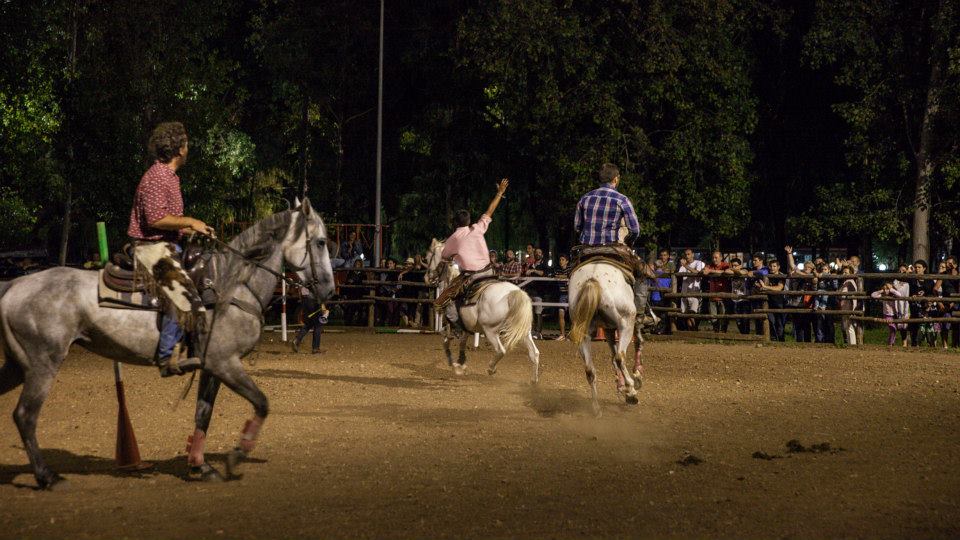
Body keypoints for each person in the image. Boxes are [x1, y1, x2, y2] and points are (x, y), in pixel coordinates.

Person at [127, 121, 214, 377]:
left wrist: (195, 229)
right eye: (186, 143)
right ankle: (166, 356)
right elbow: (155, 220)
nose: (188, 147)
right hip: (150, 247)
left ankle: (187, 347)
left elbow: (168, 222)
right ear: (179, 149)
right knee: (183, 294)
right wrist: (190, 221)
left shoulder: (170, 177)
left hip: (165, 244)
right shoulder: (158, 176)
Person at [573, 163, 643, 326]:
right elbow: (635, 229)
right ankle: (640, 311)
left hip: (587, 250)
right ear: (615, 179)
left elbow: (577, 226)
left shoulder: (584, 198)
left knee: (572, 271)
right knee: (641, 272)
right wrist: (629, 241)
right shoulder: (622, 200)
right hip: (612, 248)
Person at [439, 178, 509, 331]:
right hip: (489, 272)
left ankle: (459, 327)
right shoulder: (477, 228)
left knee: (444, 300)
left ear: (455, 223)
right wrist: (499, 193)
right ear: (469, 220)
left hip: (471, 276)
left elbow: (444, 256)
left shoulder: (453, 238)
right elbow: (490, 210)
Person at [290, 287, 328, 354]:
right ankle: (315, 348)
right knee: (318, 325)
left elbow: (300, 289)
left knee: (308, 324)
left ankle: (297, 340)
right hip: (313, 300)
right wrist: (322, 303)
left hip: (305, 300)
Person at [757, 258, 786, 341]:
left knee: (780, 323)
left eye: (774, 266)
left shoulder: (781, 276)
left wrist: (765, 287)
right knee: (771, 321)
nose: (772, 268)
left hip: (779, 302)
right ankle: (773, 339)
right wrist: (759, 287)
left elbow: (779, 288)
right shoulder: (767, 276)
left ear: (778, 267)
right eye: (771, 266)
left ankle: (781, 340)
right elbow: (760, 287)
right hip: (769, 302)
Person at [677, 248, 706, 330]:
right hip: (684, 292)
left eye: (689, 254)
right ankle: (690, 330)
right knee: (686, 314)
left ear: (693, 254)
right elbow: (678, 274)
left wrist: (686, 266)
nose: (687, 256)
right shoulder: (683, 265)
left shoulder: (699, 263)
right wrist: (680, 265)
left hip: (694, 292)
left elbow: (697, 272)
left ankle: (694, 329)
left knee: (693, 313)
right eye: (686, 254)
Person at [703, 250, 731, 333]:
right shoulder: (710, 265)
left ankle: (723, 334)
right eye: (713, 258)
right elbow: (704, 270)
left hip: (723, 296)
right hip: (712, 296)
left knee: (723, 317)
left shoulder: (725, 265)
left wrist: (711, 271)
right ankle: (716, 333)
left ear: (721, 258)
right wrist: (705, 270)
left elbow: (727, 271)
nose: (714, 259)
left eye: (716, 257)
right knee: (713, 318)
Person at [871, 281, 903, 346]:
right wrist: (882, 291)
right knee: (893, 328)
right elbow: (873, 295)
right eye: (885, 289)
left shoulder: (894, 295)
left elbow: (899, 295)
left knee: (894, 330)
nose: (886, 290)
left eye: (887, 289)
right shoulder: (882, 295)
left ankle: (891, 343)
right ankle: (890, 343)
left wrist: (891, 289)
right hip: (887, 315)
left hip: (895, 314)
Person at [728, 257, 752, 335]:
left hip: (744, 299)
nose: (734, 267)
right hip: (735, 299)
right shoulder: (731, 272)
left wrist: (732, 270)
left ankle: (746, 334)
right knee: (738, 320)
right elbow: (726, 271)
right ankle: (742, 334)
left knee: (745, 319)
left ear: (740, 265)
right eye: (732, 265)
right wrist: (732, 270)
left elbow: (741, 273)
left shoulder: (745, 270)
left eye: (736, 265)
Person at [838, 264, 860, 345]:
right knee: (846, 326)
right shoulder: (846, 282)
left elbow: (852, 296)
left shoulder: (850, 282)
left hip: (848, 306)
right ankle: (850, 343)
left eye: (846, 273)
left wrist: (853, 308)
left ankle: (852, 344)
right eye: (843, 272)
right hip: (844, 306)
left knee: (849, 326)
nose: (844, 274)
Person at [552, 254, 571, 340]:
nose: (561, 261)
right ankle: (562, 335)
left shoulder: (570, 269)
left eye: (563, 260)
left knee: (572, 316)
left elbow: (570, 276)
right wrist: (562, 277)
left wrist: (561, 277)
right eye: (560, 260)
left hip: (571, 294)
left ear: (567, 261)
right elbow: (555, 275)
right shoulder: (557, 269)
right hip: (562, 294)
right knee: (561, 314)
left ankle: (572, 334)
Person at [893, 264, 912, 346]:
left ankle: (910, 342)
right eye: (900, 270)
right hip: (899, 304)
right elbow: (896, 288)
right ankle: (904, 343)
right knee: (901, 324)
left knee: (908, 323)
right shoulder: (895, 281)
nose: (902, 272)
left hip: (908, 304)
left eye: (904, 270)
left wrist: (908, 273)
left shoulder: (910, 281)